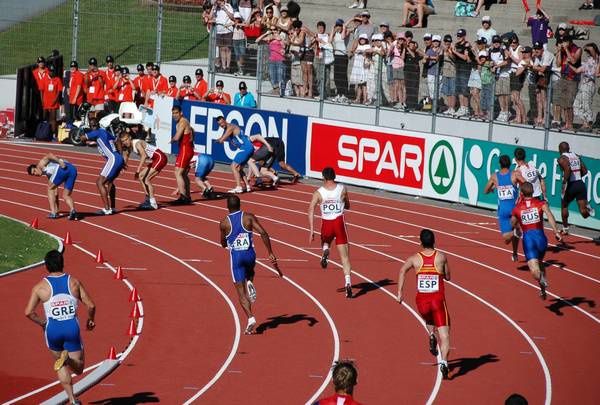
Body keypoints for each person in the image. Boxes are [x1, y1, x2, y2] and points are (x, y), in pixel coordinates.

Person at [24, 250, 96, 405]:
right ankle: (68, 358)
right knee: (78, 369)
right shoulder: (74, 282)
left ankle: (72, 400)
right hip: (71, 328)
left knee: (60, 365)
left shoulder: (40, 287)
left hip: (53, 330)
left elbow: (28, 312)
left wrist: (43, 323)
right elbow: (91, 305)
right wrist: (90, 320)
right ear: (62, 263)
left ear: (46, 266)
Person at [219, 195, 281, 334]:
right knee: (250, 272)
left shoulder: (224, 223)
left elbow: (222, 243)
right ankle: (250, 281)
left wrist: (227, 243)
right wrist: (270, 252)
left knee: (241, 293)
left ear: (227, 207)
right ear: (240, 205)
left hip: (236, 258)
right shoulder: (249, 217)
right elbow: (264, 233)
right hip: (250, 255)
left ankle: (250, 318)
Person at [396, 229, 451, 379]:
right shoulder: (441, 257)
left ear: (420, 242)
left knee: (429, 319)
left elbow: (402, 271)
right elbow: (448, 277)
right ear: (434, 241)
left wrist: (400, 292)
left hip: (421, 302)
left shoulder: (414, 259)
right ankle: (444, 362)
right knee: (445, 336)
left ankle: (431, 334)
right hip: (437, 300)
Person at [308, 167, 354, 298]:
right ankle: (348, 283)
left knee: (325, 239)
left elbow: (310, 209)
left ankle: (325, 249)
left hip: (326, 223)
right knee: (345, 257)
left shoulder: (318, 193)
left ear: (323, 177)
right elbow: (348, 205)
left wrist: (311, 230)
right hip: (339, 222)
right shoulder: (342, 189)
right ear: (334, 176)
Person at [511, 182, 562, 299]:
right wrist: (556, 232)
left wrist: (517, 224)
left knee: (535, 271)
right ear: (533, 192)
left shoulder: (518, 208)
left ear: (521, 193)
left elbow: (512, 223)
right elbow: (549, 215)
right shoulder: (540, 203)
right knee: (539, 264)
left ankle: (541, 279)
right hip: (541, 240)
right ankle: (543, 289)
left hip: (531, 241)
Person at [79, 118, 125, 215]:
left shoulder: (96, 132)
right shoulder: (104, 131)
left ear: (94, 126)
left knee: (99, 182)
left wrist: (82, 131)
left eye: (93, 126)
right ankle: (112, 207)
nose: (93, 127)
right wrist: (121, 157)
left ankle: (107, 209)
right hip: (118, 157)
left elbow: (82, 138)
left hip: (112, 158)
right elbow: (117, 141)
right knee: (110, 182)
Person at [484, 154, 520, 261]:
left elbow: (485, 191)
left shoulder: (495, 176)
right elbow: (525, 183)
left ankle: (514, 252)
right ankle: (515, 252)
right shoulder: (514, 174)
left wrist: (493, 188)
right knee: (511, 235)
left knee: (506, 238)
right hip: (511, 209)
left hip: (505, 210)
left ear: (500, 164)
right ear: (509, 164)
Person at [120, 132, 167, 210]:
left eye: (126, 140)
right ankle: (148, 199)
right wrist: (122, 167)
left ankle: (153, 203)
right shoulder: (129, 147)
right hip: (155, 159)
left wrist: (138, 169)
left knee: (146, 179)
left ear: (130, 138)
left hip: (160, 157)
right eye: (123, 141)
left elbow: (144, 155)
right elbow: (126, 156)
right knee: (141, 177)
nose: (125, 142)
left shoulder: (137, 143)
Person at [557, 142, 594, 235]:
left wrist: (565, 182)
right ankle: (589, 209)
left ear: (560, 149)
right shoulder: (576, 156)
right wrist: (577, 176)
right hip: (580, 184)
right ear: (568, 148)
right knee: (584, 213)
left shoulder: (561, 158)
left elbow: (568, 170)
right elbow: (585, 171)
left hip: (570, 185)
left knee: (564, 205)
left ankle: (565, 228)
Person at [27, 153, 78, 220]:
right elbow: (55, 192)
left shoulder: (40, 164)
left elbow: (49, 155)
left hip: (62, 168)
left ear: (36, 167)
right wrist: (57, 210)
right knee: (66, 195)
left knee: (49, 188)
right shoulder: (49, 175)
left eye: (34, 171)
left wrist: (59, 161)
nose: (35, 174)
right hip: (72, 170)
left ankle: (53, 213)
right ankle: (72, 210)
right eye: (33, 174)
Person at [216, 115, 255, 193]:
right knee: (239, 169)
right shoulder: (229, 128)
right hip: (248, 148)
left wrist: (218, 140)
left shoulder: (230, 127)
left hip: (245, 148)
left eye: (222, 123)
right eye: (219, 125)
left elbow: (222, 139)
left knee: (233, 166)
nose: (221, 125)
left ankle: (238, 187)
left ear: (225, 120)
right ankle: (247, 186)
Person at [171, 105, 195, 204]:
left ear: (181, 113)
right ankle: (187, 196)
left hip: (185, 149)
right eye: (173, 113)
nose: (174, 115)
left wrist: (171, 140)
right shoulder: (182, 122)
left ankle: (183, 196)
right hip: (185, 149)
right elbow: (191, 132)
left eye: (176, 113)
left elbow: (177, 137)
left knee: (178, 172)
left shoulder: (183, 122)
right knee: (183, 173)